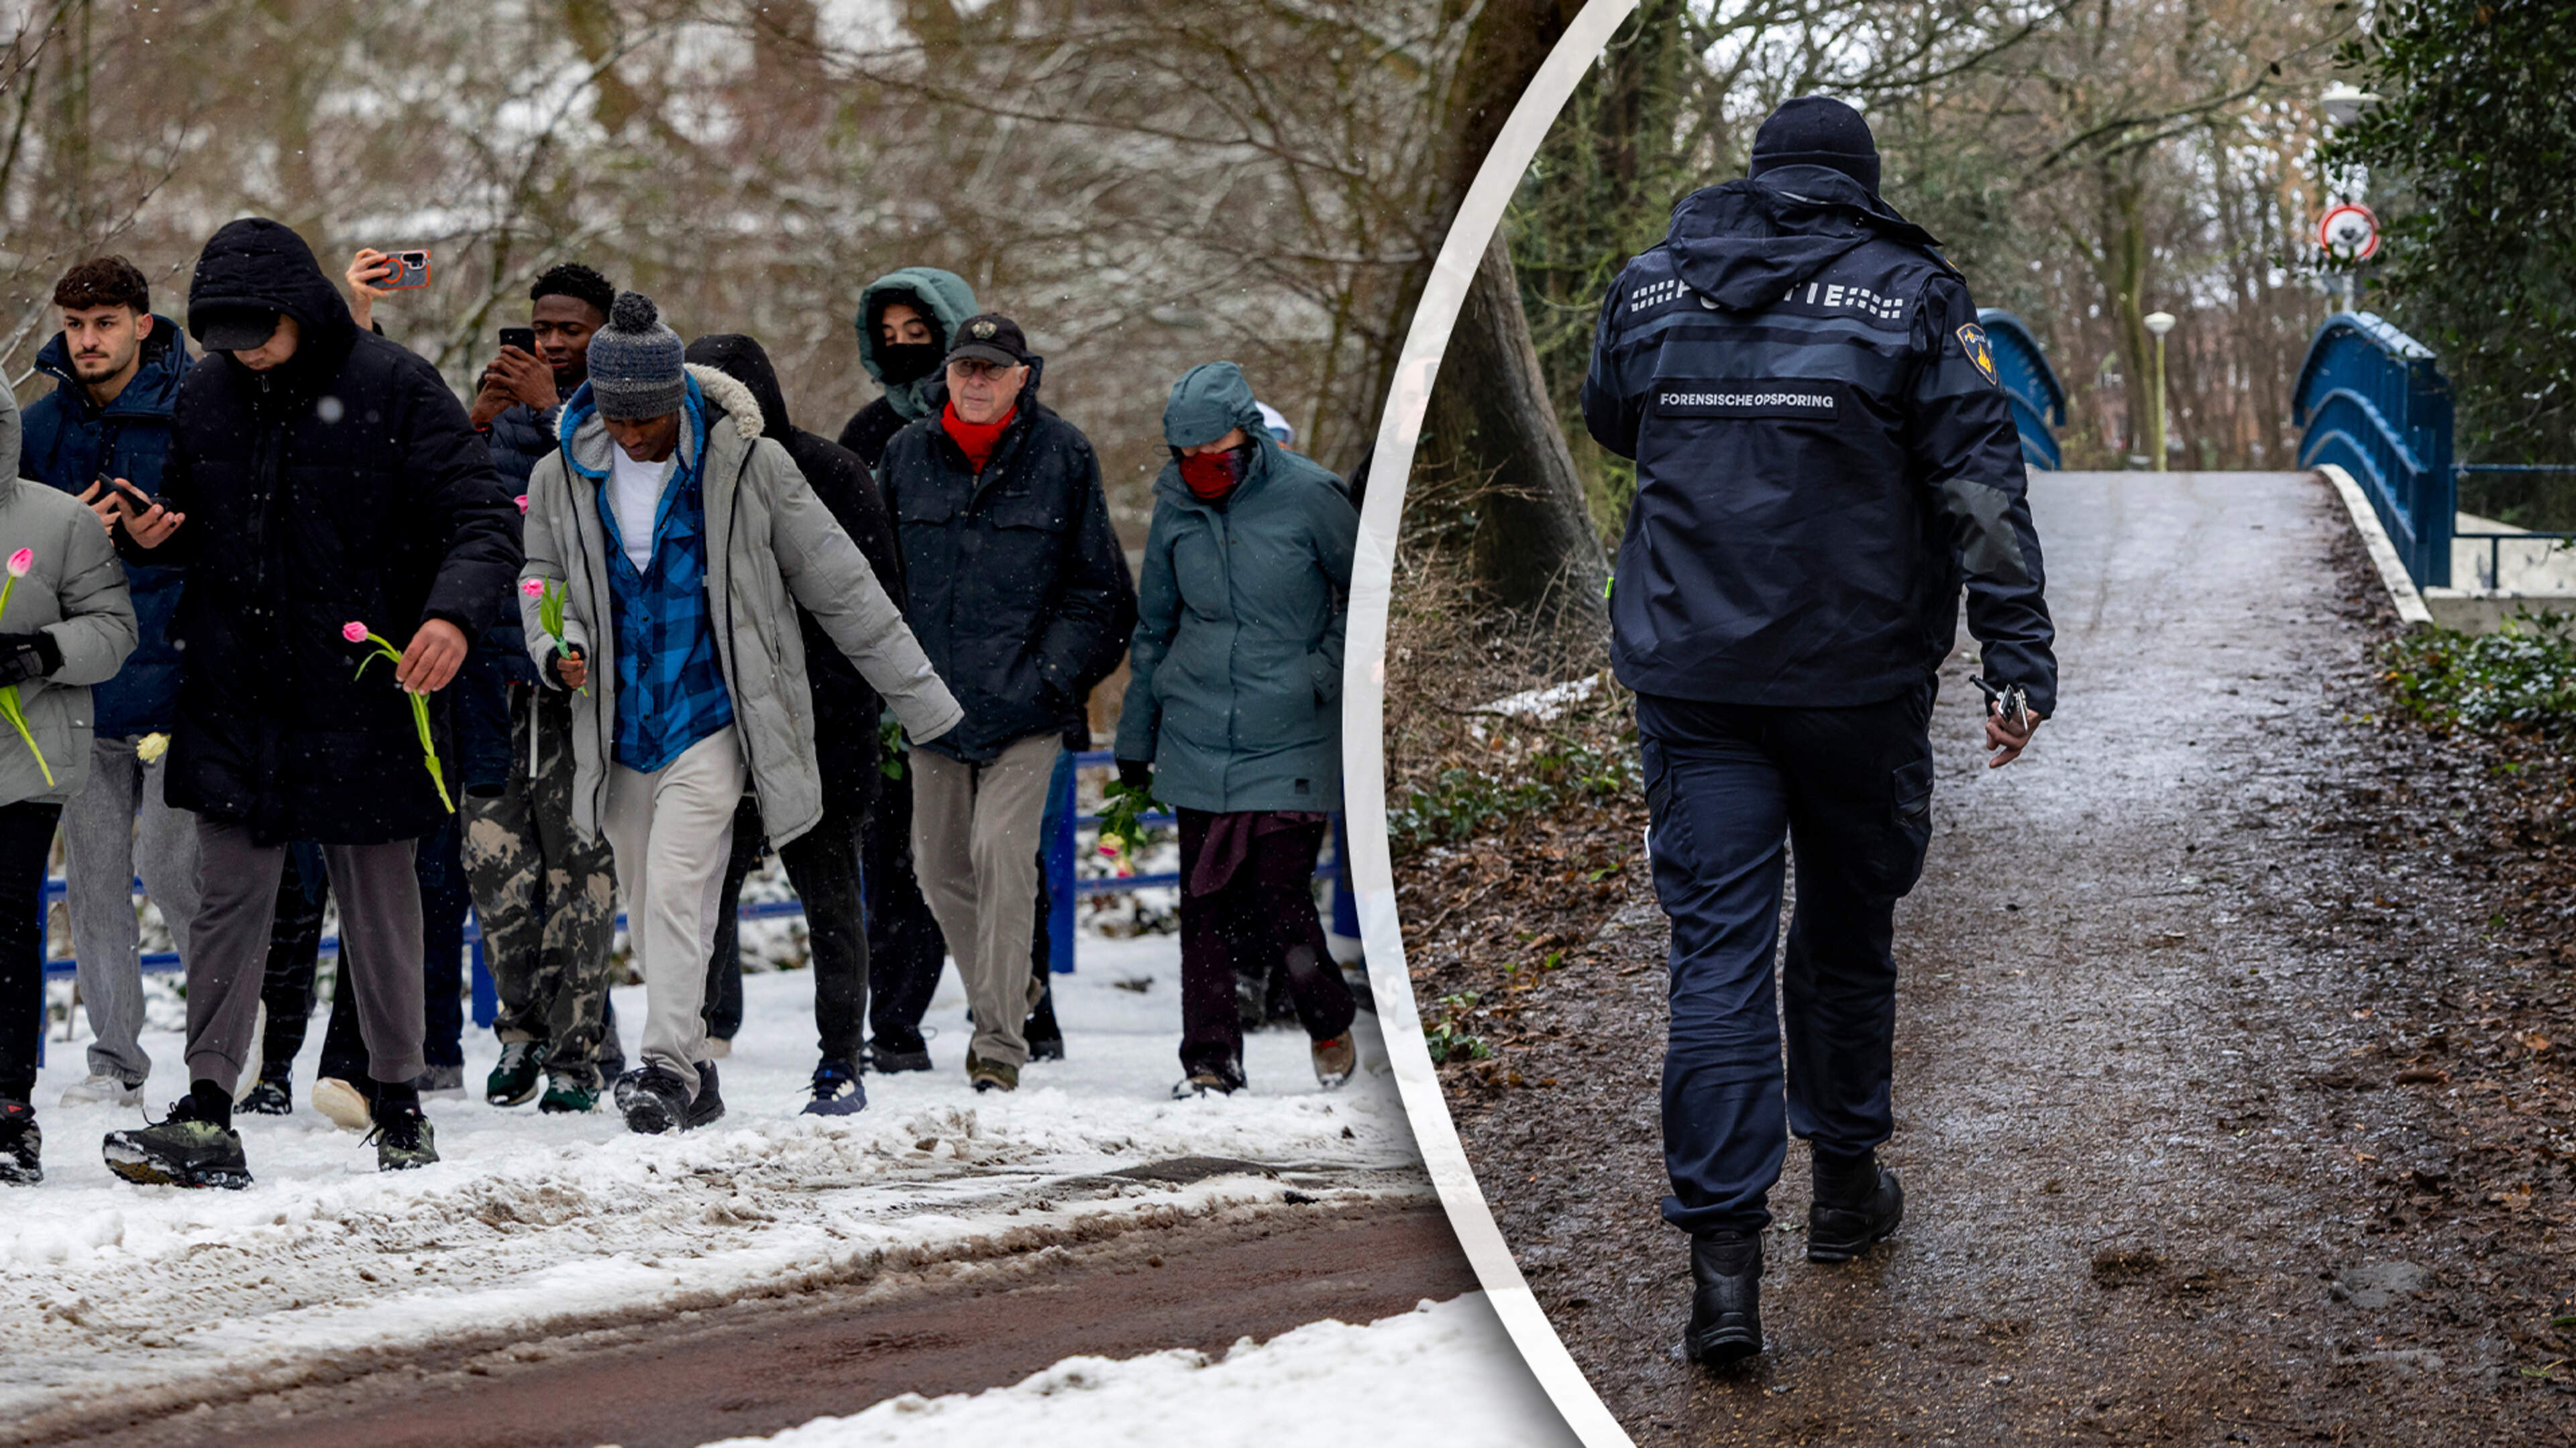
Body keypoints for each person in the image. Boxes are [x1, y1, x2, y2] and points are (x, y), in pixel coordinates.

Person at [1579, 97, 2057, 1365]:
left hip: (1695, 674)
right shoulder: (1912, 297)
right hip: (1855, 679)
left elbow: (1614, 421)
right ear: (1861, 184)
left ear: (1757, 174)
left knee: (1718, 953)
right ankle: (1843, 1190)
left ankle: (1723, 1277)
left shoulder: (1647, 288)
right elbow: (1978, 481)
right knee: (1847, 927)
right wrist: (2017, 653)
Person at [99, 217, 521, 1188]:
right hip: (240, 692)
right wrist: (156, 535)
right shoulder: (207, 393)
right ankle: (209, 1108)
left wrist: (451, 618)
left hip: (369, 689)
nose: (245, 355)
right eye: (227, 339)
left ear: (299, 310)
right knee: (226, 904)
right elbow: (187, 521)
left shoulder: (395, 385)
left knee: (381, 904)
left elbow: (482, 520)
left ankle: (401, 1099)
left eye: (259, 335)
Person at [519, 292, 960, 1135]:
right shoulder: (561, 474)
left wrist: (925, 701)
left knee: (683, 889)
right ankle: (693, 1071)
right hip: (617, 724)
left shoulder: (750, 465)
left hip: (712, 715)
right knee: (650, 902)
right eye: (616, 413)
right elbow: (543, 577)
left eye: (647, 414)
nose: (632, 431)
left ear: (676, 394)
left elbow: (843, 584)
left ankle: (666, 1065)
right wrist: (555, 645)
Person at [877, 314, 1134, 1094]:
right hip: (932, 707)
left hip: (1028, 709)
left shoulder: (1064, 456)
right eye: (966, 367)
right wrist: (897, 678)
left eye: (994, 368)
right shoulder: (905, 455)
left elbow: (1103, 595)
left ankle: (998, 1041)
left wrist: (1049, 676)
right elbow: (874, 580)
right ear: (946, 376)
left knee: (1000, 855)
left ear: (1025, 375)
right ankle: (1009, 988)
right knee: (938, 866)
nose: (978, 380)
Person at [1116, 364, 1357, 1098]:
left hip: (1290, 728)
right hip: (1196, 725)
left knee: (1279, 893)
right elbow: (1154, 627)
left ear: (1247, 434)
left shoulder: (1312, 497)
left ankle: (1326, 1012)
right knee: (1206, 902)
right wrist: (1137, 731)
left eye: (1213, 452)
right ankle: (1211, 1059)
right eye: (1184, 456)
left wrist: (1320, 674)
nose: (1200, 469)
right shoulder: (1176, 508)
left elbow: (1369, 597)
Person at [686, 331, 907, 1114]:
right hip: (719, 725)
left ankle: (842, 1059)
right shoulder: (684, 481)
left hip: (822, 727)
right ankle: (695, 1058)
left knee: (829, 896)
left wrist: (824, 705)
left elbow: (871, 603)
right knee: (702, 896)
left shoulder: (828, 472)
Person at [16, 256, 199, 1110]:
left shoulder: (200, 406)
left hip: (185, 673)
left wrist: (174, 537)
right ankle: (114, 1060)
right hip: (77, 691)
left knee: (172, 868)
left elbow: (239, 529)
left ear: (140, 323)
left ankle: (222, 1044)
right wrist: (69, 536)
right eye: (76, 323)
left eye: (105, 323)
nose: (87, 339)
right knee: (92, 883)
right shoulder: (40, 423)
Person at [451, 261, 629, 1114]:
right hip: (488, 677)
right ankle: (518, 1037)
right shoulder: (493, 419)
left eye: (572, 330)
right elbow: (440, 521)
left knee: (582, 877)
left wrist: (551, 413)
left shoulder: (621, 413)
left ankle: (576, 1055)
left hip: (576, 682)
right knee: (501, 877)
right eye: (542, 330)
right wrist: (472, 428)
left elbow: (621, 504)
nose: (553, 344)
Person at [0, 385, 144, 1184]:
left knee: (6, 927)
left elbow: (114, 629)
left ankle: (8, 1110)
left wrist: (39, 653)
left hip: (26, 758)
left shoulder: (61, 521)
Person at [836, 266, 977, 1074]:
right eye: (886, 335)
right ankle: (895, 1021)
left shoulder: (1017, 433)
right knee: (895, 860)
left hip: (987, 671)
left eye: (916, 332)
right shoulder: (865, 433)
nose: (900, 348)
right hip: (892, 670)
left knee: (995, 859)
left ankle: (1027, 1006)